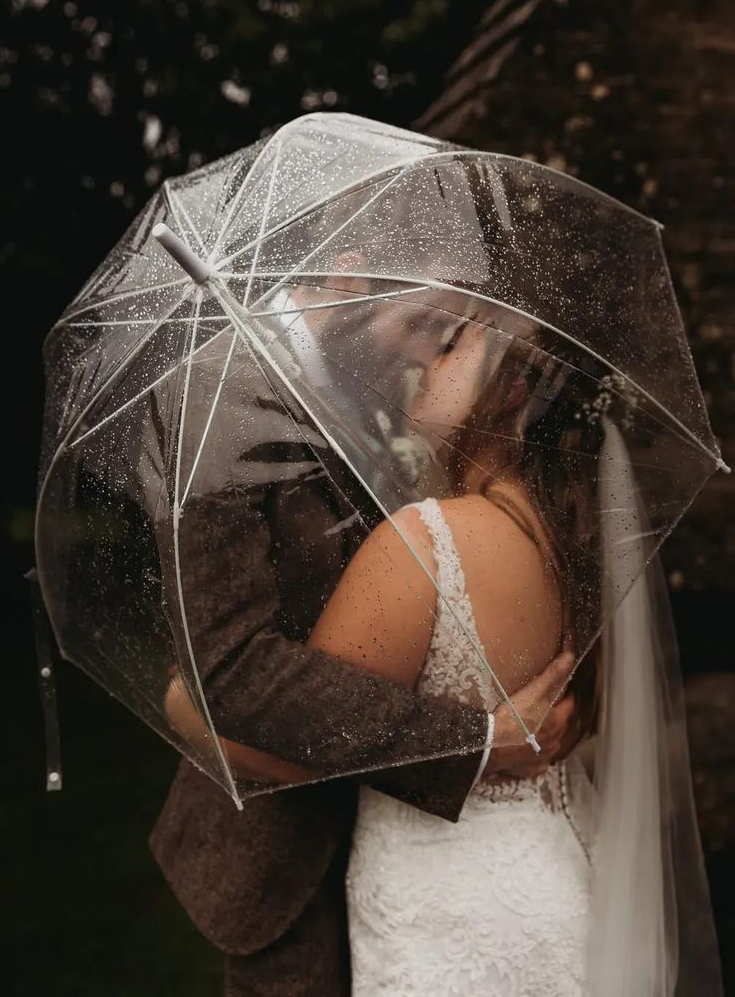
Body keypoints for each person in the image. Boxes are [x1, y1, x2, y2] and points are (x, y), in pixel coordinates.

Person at [243, 306, 723, 994]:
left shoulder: (426, 543)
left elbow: (292, 741)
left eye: (449, 348)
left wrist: (185, 704)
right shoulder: (583, 547)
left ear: (516, 391)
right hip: (560, 875)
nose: (421, 364)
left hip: (452, 916)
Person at [145, 267, 583, 997]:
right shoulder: (214, 392)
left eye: (445, 341)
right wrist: (475, 744)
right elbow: (222, 671)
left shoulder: (374, 393)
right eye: (424, 328)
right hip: (287, 848)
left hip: (416, 850)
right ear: (350, 273)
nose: (421, 358)